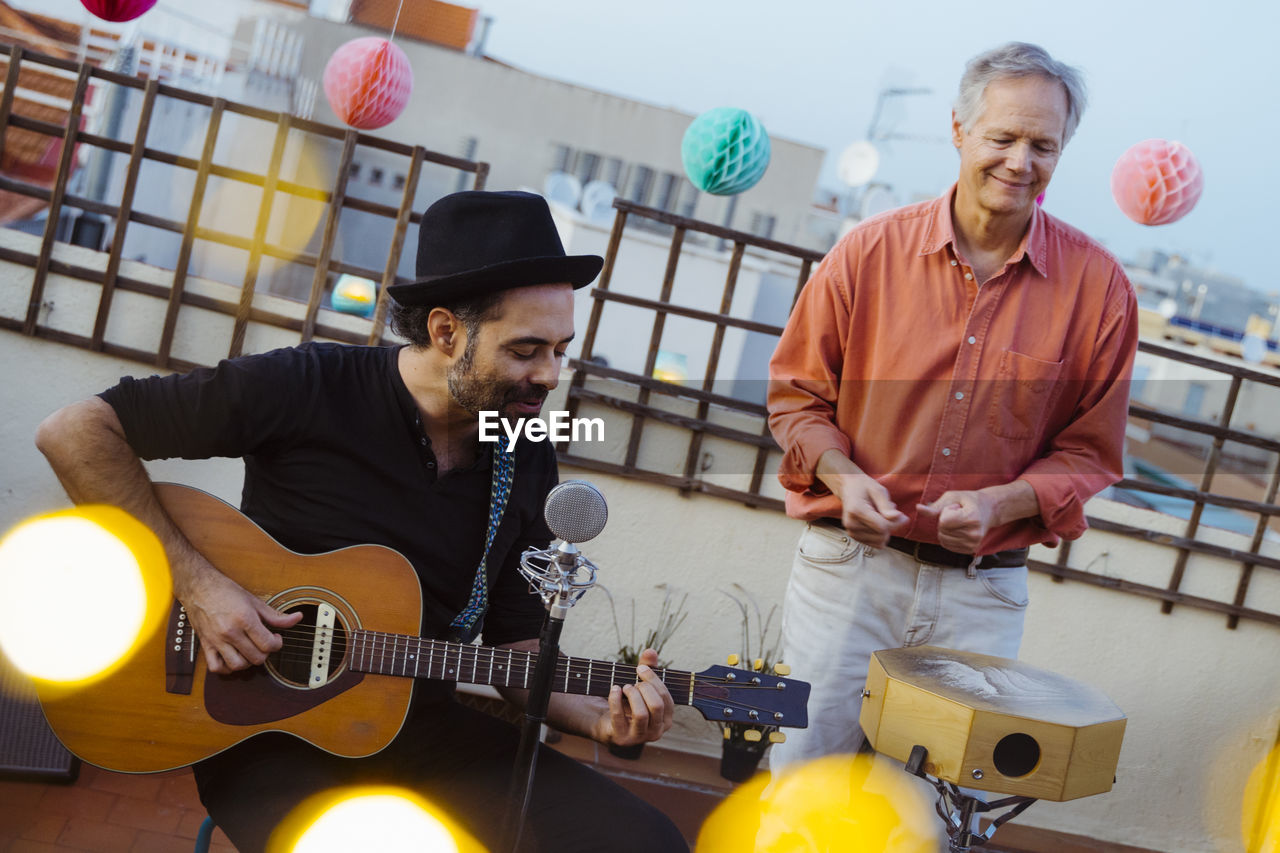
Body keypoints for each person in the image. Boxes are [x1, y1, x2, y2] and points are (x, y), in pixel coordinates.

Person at [35, 190, 688, 852]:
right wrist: (199, 587)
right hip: (265, 736)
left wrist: (605, 719)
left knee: (644, 841)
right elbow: (75, 432)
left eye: (559, 350)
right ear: (445, 332)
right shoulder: (308, 386)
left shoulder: (523, 454)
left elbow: (517, 652)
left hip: (423, 730)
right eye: (525, 350)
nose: (548, 375)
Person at [766, 42, 1138, 771]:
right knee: (801, 785)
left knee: (928, 814)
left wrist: (1004, 503)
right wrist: (844, 477)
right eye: (1002, 137)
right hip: (850, 571)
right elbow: (796, 398)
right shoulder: (866, 253)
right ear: (960, 131)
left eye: (1042, 145)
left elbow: (1091, 453)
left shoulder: (1101, 290)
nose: (1019, 161)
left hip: (982, 595)